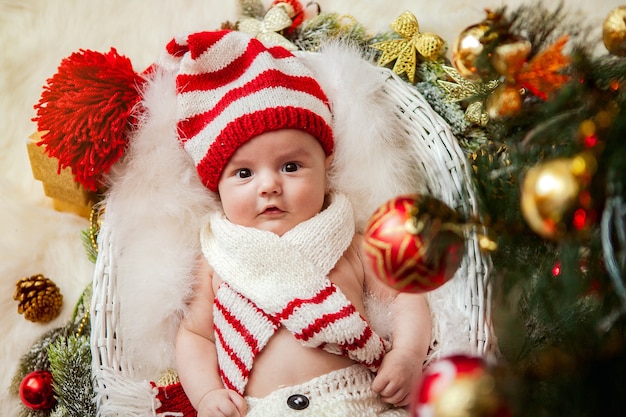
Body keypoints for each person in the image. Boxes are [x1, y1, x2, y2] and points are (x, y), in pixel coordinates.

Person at [173, 29, 431, 417]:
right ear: (216, 187)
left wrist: (408, 356)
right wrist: (208, 394)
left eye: (291, 167)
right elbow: (194, 336)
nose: (269, 186)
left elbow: (405, 296)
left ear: (326, 167)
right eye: (243, 174)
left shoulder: (349, 242)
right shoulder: (215, 259)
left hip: (355, 401)